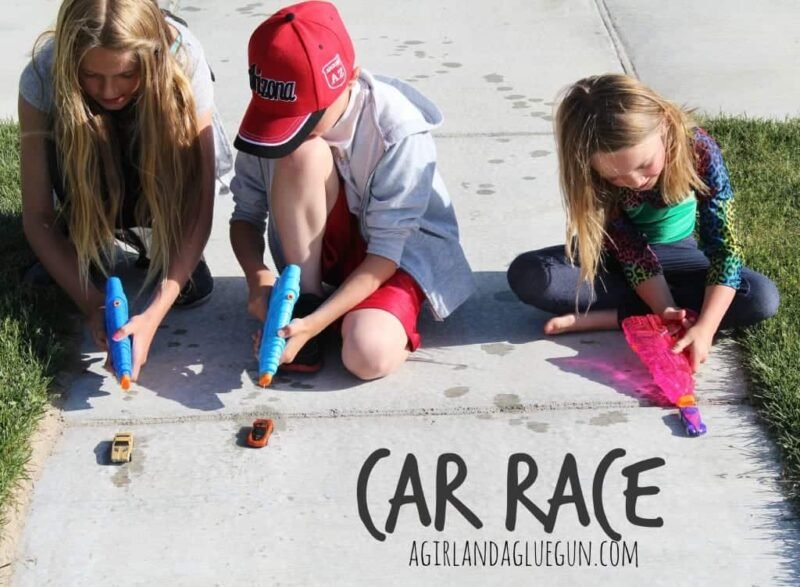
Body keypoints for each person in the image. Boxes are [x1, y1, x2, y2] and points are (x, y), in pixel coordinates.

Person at [230, 1, 474, 380]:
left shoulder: (399, 131)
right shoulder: (272, 114)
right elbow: (245, 215)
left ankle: (330, 320)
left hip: (395, 260)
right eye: (281, 121)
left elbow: (386, 254)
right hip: (324, 255)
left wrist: (316, 324)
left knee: (367, 355)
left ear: (350, 78)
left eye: (304, 118)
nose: (292, 129)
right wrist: (257, 275)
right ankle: (305, 298)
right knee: (302, 154)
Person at [507, 74, 779, 372]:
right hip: (615, 261)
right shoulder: (593, 173)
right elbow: (630, 250)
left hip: (681, 256)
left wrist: (706, 328)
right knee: (532, 276)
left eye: (643, 165)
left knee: (759, 296)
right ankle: (650, 308)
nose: (634, 181)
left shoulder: (698, 149)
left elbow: (725, 247)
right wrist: (664, 309)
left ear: (663, 124)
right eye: (615, 177)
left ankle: (613, 316)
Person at [19, 0, 230, 381]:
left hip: (159, 170)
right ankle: (81, 242)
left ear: (151, 58)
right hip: (88, 171)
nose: (110, 90)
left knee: (163, 133)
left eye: (126, 74)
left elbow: (201, 206)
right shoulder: (40, 75)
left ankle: (165, 244)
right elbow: (36, 216)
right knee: (79, 136)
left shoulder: (185, 56)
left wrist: (154, 313)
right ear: (69, 60)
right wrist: (91, 303)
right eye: (91, 75)